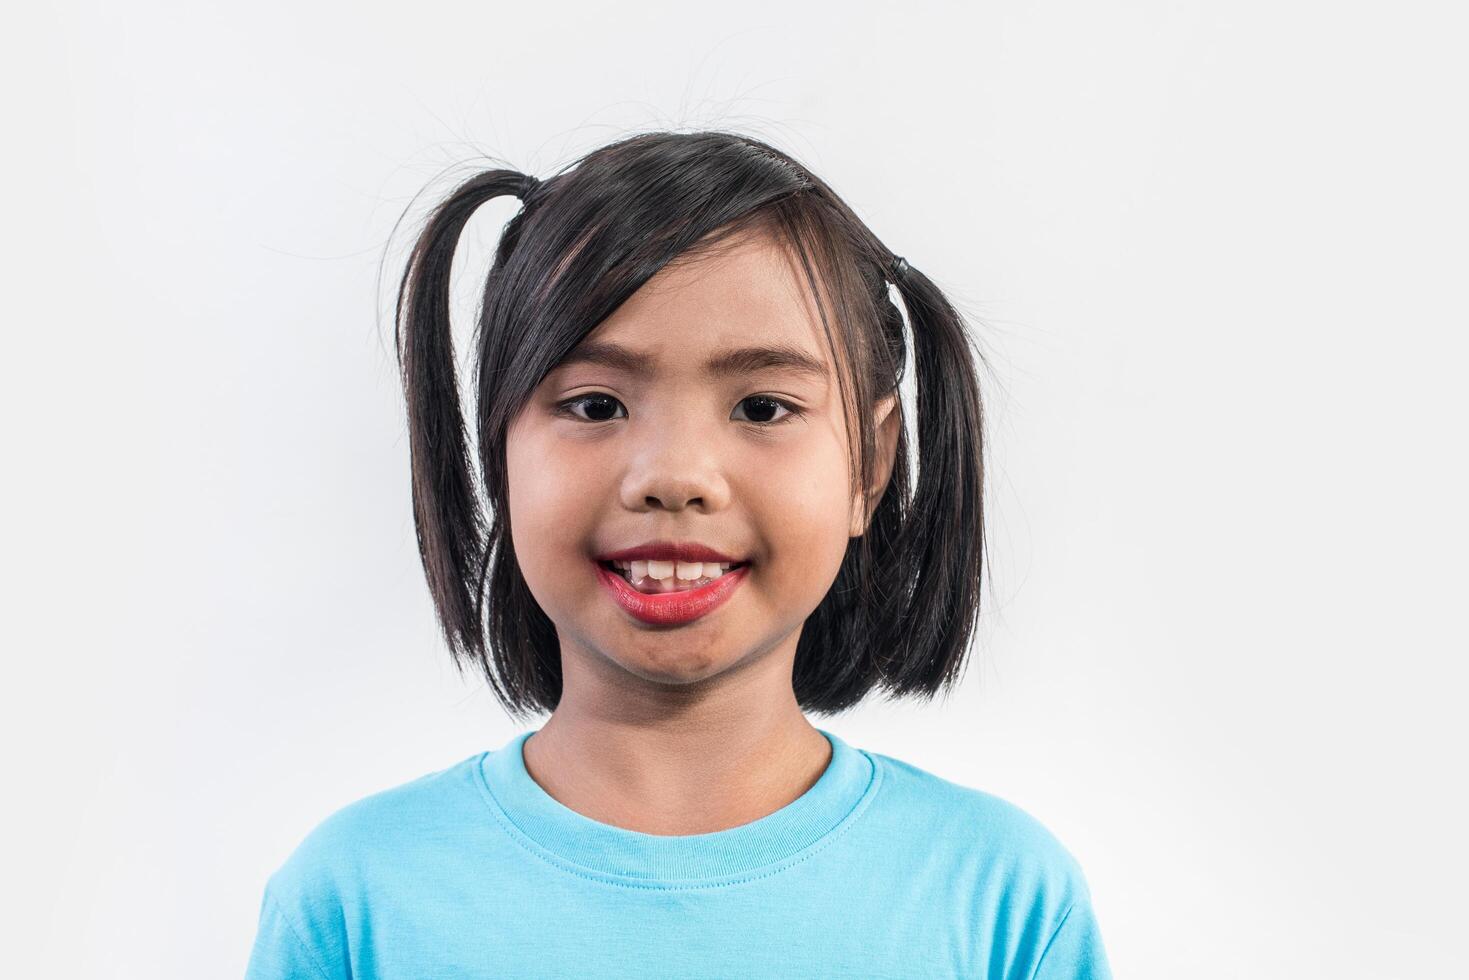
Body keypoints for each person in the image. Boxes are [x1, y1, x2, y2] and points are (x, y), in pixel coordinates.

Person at [245, 130, 1112, 978]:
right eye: (592, 405)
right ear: (496, 450)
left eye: (763, 408)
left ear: (869, 465)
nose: (675, 479)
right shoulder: (355, 904)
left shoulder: (999, 902)